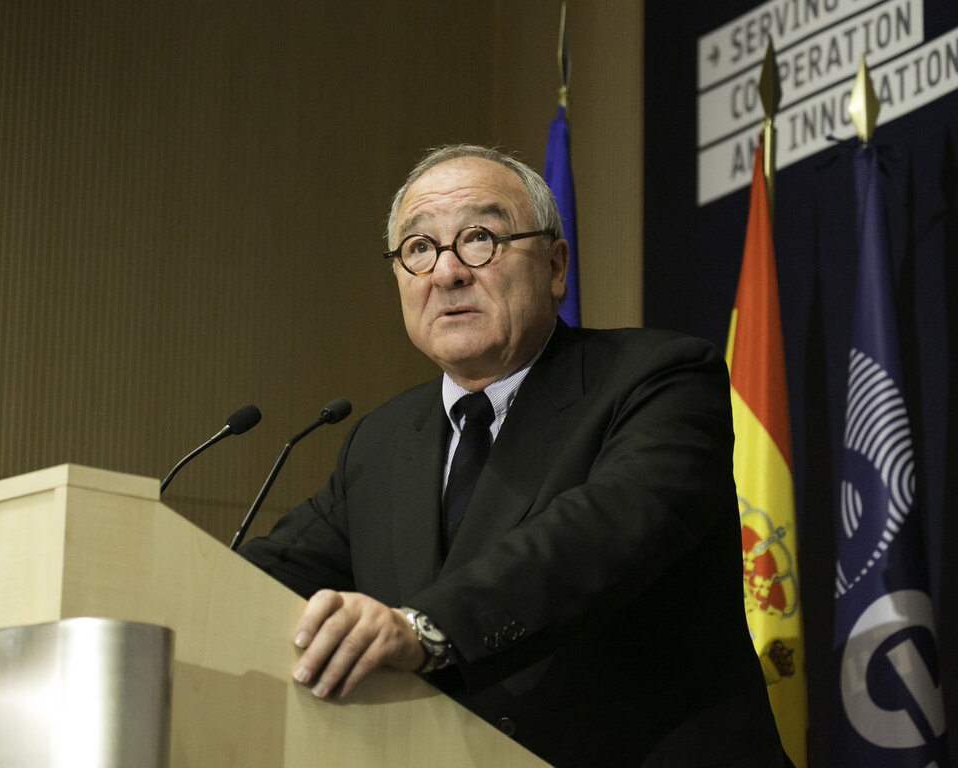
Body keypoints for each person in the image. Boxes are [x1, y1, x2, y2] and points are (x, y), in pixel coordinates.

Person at [240, 144, 789, 766]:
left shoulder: (659, 377)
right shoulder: (382, 440)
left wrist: (422, 628)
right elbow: (264, 578)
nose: (446, 272)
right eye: (419, 249)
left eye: (480, 238)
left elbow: (601, 532)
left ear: (556, 267)